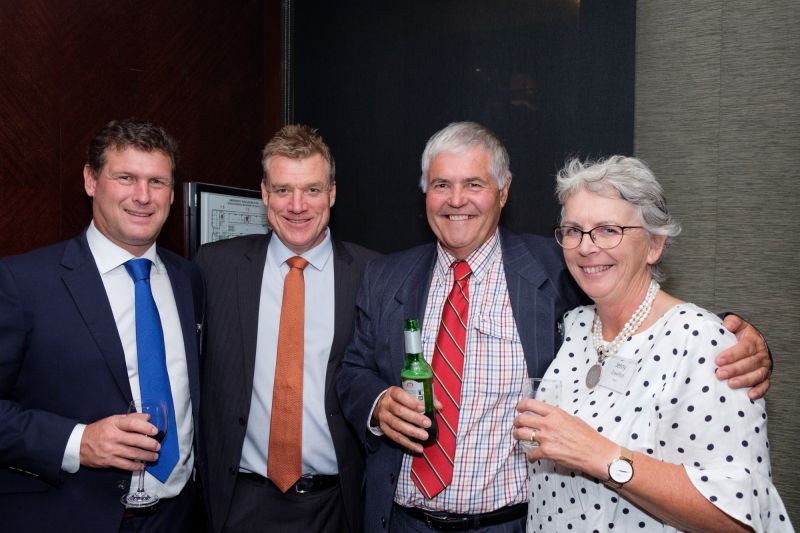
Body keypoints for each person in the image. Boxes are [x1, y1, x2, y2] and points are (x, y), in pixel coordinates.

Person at [336, 121, 772, 532]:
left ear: (503, 191)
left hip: (510, 523)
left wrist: (734, 334)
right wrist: (377, 404)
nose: (456, 199)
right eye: (441, 185)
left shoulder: (557, 267)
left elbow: (638, 304)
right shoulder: (386, 277)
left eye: (473, 184)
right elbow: (353, 370)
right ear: (425, 193)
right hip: (402, 519)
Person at [512, 156, 791, 532]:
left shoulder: (702, 343)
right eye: (574, 230)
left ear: (654, 245)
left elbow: (737, 518)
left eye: (608, 230)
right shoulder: (574, 326)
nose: (586, 247)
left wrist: (601, 456)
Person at [0, 118, 205, 532]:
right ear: (91, 181)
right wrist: (77, 442)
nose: (142, 196)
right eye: (125, 178)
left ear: (172, 193)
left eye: (157, 182)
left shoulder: (190, 279)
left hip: (180, 516)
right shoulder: (23, 282)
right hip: (70, 517)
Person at [196, 124, 379, 533]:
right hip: (239, 502)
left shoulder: (373, 275)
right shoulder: (214, 267)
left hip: (337, 505)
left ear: (332, 193)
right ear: (264, 193)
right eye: (283, 190)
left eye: (312, 190)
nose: (297, 206)